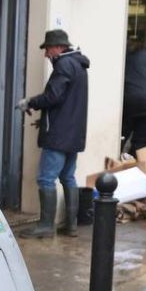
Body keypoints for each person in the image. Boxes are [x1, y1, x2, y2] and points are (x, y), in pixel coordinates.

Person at [16, 29, 91, 238]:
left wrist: (30, 102)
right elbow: (66, 102)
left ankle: (46, 226)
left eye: (48, 49)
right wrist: (47, 117)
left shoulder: (64, 65)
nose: (46, 54)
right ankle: (71, 225)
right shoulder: (78, 65)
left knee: (46, 179)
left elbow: (53, 96)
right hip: (73, 133)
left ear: (59, 47)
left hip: (59, 135)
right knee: (68, 177)